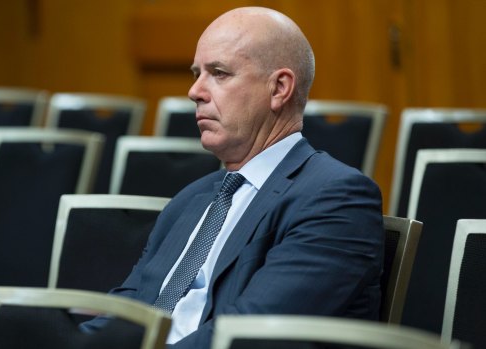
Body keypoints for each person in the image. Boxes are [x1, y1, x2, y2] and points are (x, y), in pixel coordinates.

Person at [85, 6, 384, 349]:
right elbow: (130, 308)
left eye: (219, 73)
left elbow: (250, 336)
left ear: (279, 88)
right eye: (196, 73)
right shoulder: (192, 198)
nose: (194, 91)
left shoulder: (335, 198)